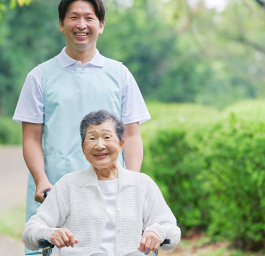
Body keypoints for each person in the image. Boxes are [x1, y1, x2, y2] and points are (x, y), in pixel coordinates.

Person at [13, 0, 151, 254]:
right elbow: (31, 138)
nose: (81, 25)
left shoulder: (120, 75)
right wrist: (41, 180)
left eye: (89, 18)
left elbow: (131, 135)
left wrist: (132, 186)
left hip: (110, 193)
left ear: (101, 25)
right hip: (54, 193)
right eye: (73, 17)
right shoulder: (39, 77)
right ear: (61, 24)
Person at [22, 110, 181, 256]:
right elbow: (30, 231)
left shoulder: (142, 184)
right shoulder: (68, 185)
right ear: (83, 149)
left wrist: (157, 231)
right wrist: (50, 233)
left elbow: (172, 231)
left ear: (120, 145)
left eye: (107, 137)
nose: (99, 145)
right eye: (92, 138)